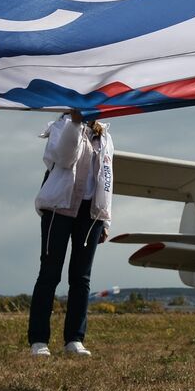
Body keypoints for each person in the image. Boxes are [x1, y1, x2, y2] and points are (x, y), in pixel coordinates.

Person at [28, 110, 114, 357]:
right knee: (49, 273)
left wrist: (105, 219)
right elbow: (65, 158)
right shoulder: (61, 126)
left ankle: (74, 339)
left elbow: (107, 178)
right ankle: (38, 340)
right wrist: (76, 123)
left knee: (81, 278)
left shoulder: (105, 135)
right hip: (59, 207)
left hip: (90, 212)